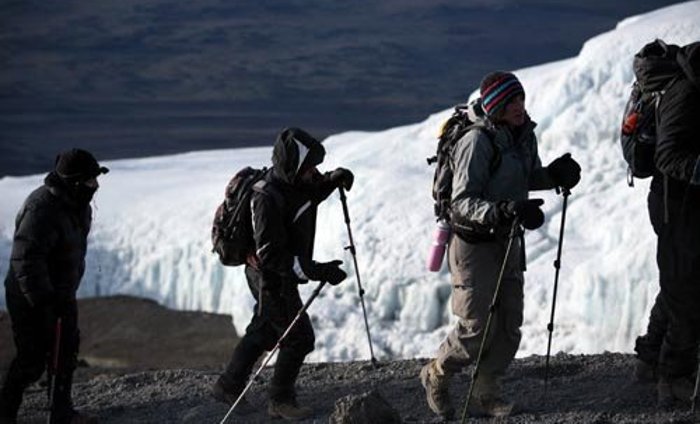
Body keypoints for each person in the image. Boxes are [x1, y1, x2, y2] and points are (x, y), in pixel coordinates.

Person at [420, 71, 581, 418]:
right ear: (495, 106)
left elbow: (524, 175)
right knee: (476, 326)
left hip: (506, 239)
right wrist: (504, 210)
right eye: (512, 102)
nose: (520, 107)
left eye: (521, 99)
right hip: (474, 244)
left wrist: (552, 175)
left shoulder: (522, 134)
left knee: (509, 322)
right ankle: (436, 374)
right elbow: (462, 201)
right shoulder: (477, 141)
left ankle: (486, 392)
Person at [211, 127, 353, 420]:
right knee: (299, 337)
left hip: (273, 273)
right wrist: (316, 270)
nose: (313, 171)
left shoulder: (290, 183)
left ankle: (228, 385)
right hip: (269, 276)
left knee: (266, 326)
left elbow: (305, 196)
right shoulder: (266, 198)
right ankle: (280, 400)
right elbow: (272, 256)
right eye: (309, 166)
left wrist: (331, 180)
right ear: (293, 165)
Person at [0, 148, 107, 424]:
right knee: (32, 360)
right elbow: (26, 261)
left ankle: (61, 412)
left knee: (66, 350)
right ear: (73, 182)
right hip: (31, 296)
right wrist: (45, 301)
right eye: (90, 180)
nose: (95, 186)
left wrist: (62, 295)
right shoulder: (42, 209)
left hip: (61, 292)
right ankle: (5, 412)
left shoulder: (77, 204)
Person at [633, 41, 700, 407]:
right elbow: (669, 155)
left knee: (680, 282)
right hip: (676, 203)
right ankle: (674, 377)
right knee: (687, 292)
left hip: (686, 201)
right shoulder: (687, 91)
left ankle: (648, 358)